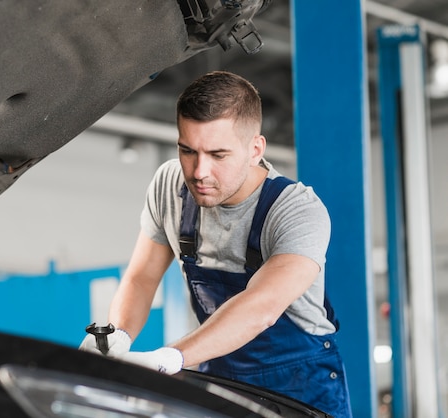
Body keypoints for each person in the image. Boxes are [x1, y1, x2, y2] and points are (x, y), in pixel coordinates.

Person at [80, 71, 352, 417]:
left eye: (218, 155)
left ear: (255, 149)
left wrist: (169, 357)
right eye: (187, 151)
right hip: (219, 376)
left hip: (301, 389)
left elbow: (262, 307)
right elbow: (141, 278)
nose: (199, 172)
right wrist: (118, 336)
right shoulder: (170, 186)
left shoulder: (296, 210)